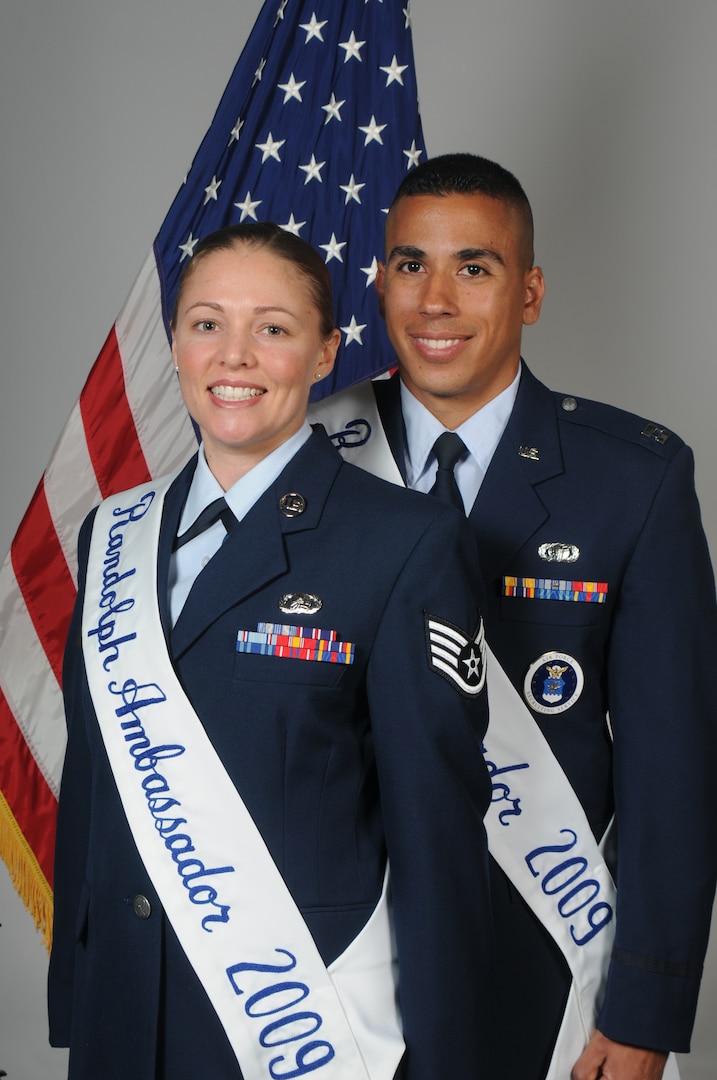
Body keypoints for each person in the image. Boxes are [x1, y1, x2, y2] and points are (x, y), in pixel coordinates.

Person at [47, 222, 494, 1078]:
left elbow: (437, 836)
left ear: (324, 353)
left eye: (273, 329)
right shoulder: (114, 534)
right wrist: (77, 993)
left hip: (297, 1026)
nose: (234, 356)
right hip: (122, 1015)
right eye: (207, 323)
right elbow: (95, 793)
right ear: (174, 343)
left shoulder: (404, 542)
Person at [309, 154, 717, 1080]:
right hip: (325, 966)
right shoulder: (306, 459)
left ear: (528, 292)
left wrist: (644, 1012)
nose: (435, 300)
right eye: (409, 264)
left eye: (474, 267)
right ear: (377, 283)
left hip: (532, 956)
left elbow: (673, 772)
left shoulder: (635, 479)